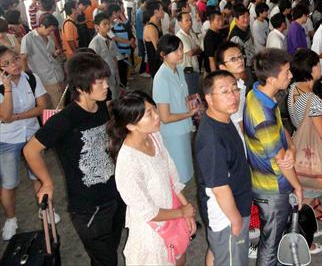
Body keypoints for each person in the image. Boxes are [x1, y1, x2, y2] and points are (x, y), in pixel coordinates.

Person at [23, 52, 125, 266]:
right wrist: (47, 182)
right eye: (100, 81)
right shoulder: (65, 119)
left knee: (109, 253)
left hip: (115, 196)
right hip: (89, 207)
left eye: (106, 80)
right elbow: (31, 150)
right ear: (80, 87)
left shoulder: (101, 108)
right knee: (106, 260)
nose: (106, 85)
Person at [109, 91, 196, 266]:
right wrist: (181, 213)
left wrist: (186, 210)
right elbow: (147, 212)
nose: (157, 116)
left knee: (179, 256)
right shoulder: (128, 163)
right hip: (152, 233)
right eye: (149, 114)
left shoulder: (153, 136)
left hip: (172, 215)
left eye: (154, 109)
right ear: (131, 126)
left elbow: (172, 177)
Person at [243, 48, 302, 266]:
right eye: (286, 72)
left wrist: (293, 147)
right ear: (272, 78)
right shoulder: (262, 113)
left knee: (272, 237)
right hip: (272, 187)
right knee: (271, 243)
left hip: (265, 179)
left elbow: (281, 131)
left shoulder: (257, 92)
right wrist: (297, 186)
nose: (291, 75)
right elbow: (282, 159)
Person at [195, 71, 252, 266]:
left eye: (235, 89)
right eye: (225, 91)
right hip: (226, 214)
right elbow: (219, 188)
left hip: (234, 203)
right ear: (209, 98)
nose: (233, 95)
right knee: (230, 257)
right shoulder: (211, 138)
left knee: (219, 252)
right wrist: (235, 219)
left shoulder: (224, 119)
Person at [0, 46, 49, 240]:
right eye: (7, 63)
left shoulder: (32, 78)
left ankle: (44, 210)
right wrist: (8, 87)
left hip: (32, 135)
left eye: (15, 59)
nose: (14, 65)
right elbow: (4, 115)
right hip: (7, 139)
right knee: (9, 183)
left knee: (38, 176)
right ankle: (11, 219)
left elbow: (42, 107)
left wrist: (17, 116)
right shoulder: (3, 86)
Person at [288, 50, 322, 228]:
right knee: (309, 190)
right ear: (312, 70)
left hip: (298, 140)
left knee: (303, 186)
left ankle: (311, 210)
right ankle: (301, 234)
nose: (320, 68)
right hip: (312, 146)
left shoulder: (293, 88)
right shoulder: (312, 99)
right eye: (318, 64)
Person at [152, 35, 198, 185]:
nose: (180, 53)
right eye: (175, 51)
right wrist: (189, 113)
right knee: (178, 176)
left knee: (185, 170)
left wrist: (191, 99)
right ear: (163, 55)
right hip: (173, 132)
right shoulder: (161, 78)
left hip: (183, 127)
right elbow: (164, 117)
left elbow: (181, 95)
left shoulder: (178, 68)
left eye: (180, 49)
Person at [20, 14, 65, 109]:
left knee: (60, 103)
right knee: (56, 106)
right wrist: (27, 77)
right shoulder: (29, 38)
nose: (52, 32)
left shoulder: (49, 37)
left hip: (58, 74)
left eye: (53, 30)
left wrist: (55, 54)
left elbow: (50, 54)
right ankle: (55, 123)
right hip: (45, 78)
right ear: (42, 26)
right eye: (50, 30)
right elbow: (23, 58)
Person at [89, 13, 121, 100]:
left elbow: (114, 57)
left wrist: (116, 71)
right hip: (103, 76)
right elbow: (93, 64)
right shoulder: (95, 43)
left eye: (108, 23)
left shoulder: (110, 39)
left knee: (116, 94)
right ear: (97, 26)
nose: (108, 26)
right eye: (104, 24)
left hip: (113, 73)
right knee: (109, 99)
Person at [176, 11, 202, 95]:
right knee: (191, 94)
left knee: (195, 90)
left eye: (190, 19)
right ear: (180, 23)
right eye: (186, 20)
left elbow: (200, 47)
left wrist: (197, 49)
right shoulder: (180, 36)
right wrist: (197, 49)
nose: (190, 22)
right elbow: (190, 53)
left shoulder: (191, 32)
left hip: (194, 67)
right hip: (187, 71)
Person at [228, 4, 255, 72]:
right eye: (243, 17)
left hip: (250, 65)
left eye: (248, 16)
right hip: (243, 68)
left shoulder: (246, 28)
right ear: (236, 19)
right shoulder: (236, 37)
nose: (246, 19)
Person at [143, 0, 164, 78]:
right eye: (161, 9)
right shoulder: (150, 28)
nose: (163, 12)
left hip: (159, 62)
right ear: (155, 12)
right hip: (156, 64)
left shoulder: (158, 24)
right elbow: (158, 49)